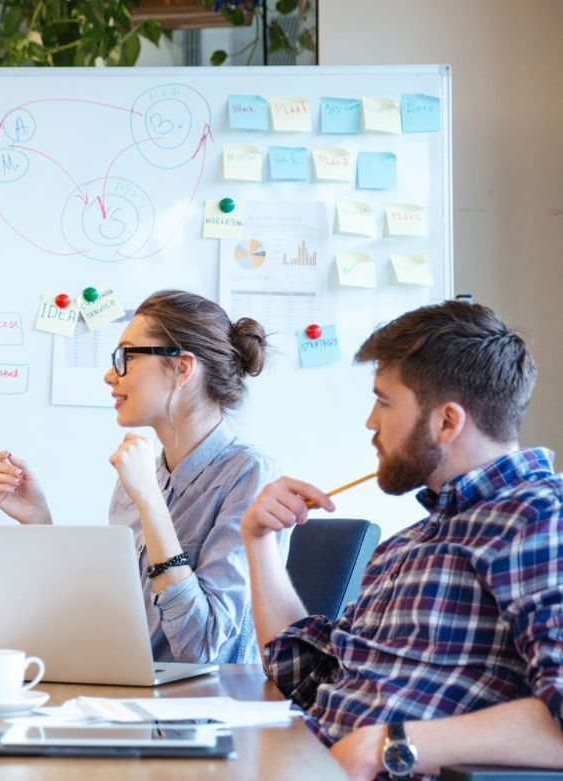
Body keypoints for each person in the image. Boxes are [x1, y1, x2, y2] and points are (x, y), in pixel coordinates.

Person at [240, 301, 563, 781]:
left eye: (384, 402)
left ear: (447, 422)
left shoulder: (538, 517)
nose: (371, 422)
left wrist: (388, 744)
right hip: (308, 762)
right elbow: (306, 677)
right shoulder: (408, 544)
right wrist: (259, 540)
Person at [0, 289, 279, 664]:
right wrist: (40, 522)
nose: (110, 375)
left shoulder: (250, 475)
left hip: (207, 698)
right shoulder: (141, 475)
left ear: (182, 368)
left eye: (126, 357)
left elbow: (203, 647)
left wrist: (150, 499)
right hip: (130, 689)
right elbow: (107, 621)